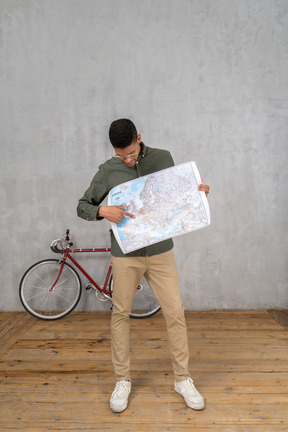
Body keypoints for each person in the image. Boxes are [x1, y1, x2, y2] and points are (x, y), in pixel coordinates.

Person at [77, 118, 210, 413]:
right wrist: (102, 210)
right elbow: (82, 205)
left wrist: (198, 194)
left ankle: (182, 379)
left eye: (131, 153)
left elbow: (179, 198)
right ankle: (122, 380)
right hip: (125, 255)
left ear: (139, 138)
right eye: (120, 154)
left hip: (161, 252)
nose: (126, 160)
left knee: (175, 313)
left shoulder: (163, 158)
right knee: (120, 314)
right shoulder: (107, 171)